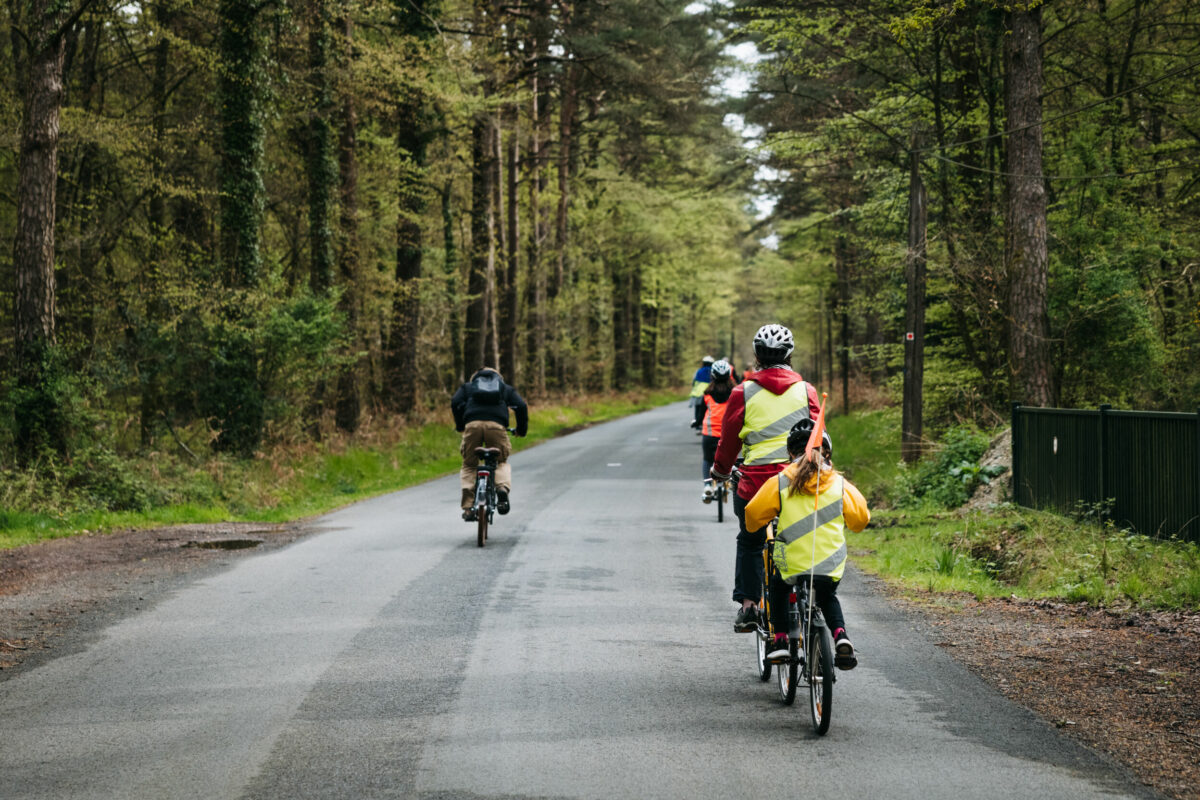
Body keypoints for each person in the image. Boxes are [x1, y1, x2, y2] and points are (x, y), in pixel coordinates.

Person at [708, 323, 821, 633]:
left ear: (757, 356)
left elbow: (729, 441)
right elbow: (819, 437)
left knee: (750, 539)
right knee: (802, 533)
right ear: (789, 354)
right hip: (797, 480)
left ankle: (748, 607)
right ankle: (811, 595)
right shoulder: (806, 390)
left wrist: (719, 470)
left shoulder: (742, 392)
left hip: (755, 483)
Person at [744, 418, 870, 669]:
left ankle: (780, 641)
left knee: (778, 586)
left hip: (791, 561)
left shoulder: (781, 481)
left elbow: (752, 516)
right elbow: (860, 520)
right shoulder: (839, 483)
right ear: (827, 452)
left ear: (790, 452)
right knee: (827, 595)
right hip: (829, 561)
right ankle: (840, 636)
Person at [451, 367, 528, 521]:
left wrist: (461, 425)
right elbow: (521, 406)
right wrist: (521, 430)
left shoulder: (468, 387)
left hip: (472, 425)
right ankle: (501, 489)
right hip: (496, 426)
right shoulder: (504, 388)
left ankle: (468, 508)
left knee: (469, 465)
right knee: (500, 461)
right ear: (497, 378)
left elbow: (455, 402)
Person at [700, 359, 735, 502]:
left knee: (708, 459)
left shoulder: (707, 394)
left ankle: (707, 485)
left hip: (709, 434)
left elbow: (700, 414)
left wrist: (696, 422)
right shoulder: (735, 394)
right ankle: (730, 481)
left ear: (712, 376)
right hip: (728, 435)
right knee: (731, 459)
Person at [688, 355, 715, 428]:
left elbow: (694, 382)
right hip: (709, 393)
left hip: (698, 393)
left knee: (698, 409)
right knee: (708, 410)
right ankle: (705, 425)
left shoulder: (698, 371)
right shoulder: (713, 371)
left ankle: (697, 425)